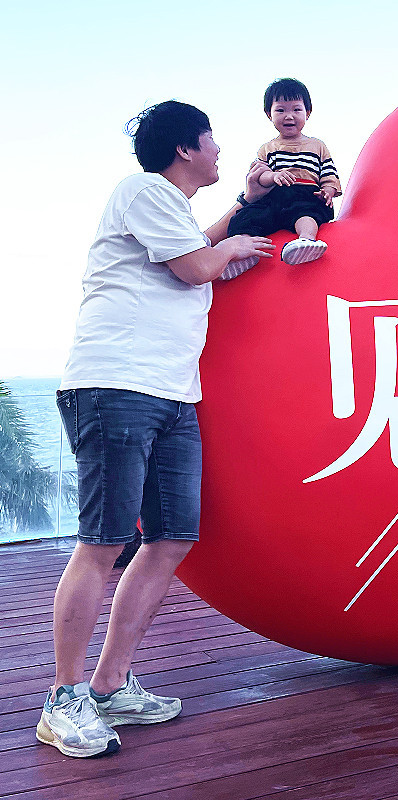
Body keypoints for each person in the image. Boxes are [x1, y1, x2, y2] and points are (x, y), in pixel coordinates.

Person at [37, 100, 275, 758]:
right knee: (104, 542)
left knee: (170, 538)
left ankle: (110, 685)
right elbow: (196, 265)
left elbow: (197, 246)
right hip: (116, 385)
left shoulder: (169, 210)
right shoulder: (140, 190)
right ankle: (63, 699)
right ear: (184, 149)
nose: (220, 150)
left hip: (171, 393)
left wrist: (244, 205)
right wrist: (233, 244)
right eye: (211, 140)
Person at [227, 77, 342, 266]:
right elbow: (259, 176)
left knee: (305, 213)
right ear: (269, 114)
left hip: (306, 194)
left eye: (296, 110)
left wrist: (328, 191)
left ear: (308, 113)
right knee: (245, 217)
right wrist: (273, 176)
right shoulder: (267, 148)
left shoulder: (317, 146)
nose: (289, 116)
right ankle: (244, 255)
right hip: (274, 196)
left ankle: (306, 241)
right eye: (280, 110)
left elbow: (328, 174)